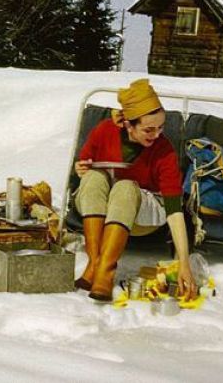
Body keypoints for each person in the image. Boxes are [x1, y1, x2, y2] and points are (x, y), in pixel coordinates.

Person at [73, 78, 197, 302]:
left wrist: (184, 264)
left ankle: (106, 272)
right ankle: (95, 264)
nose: (157, 134)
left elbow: (174, 209)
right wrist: (81, 168)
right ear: (128, 124)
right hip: (102, 206)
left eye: (160, 128)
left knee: (125, 186)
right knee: (93, 177)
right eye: (149, 129)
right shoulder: (104, 131)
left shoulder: (164, 150)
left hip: (143, 216)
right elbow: (84, 164)